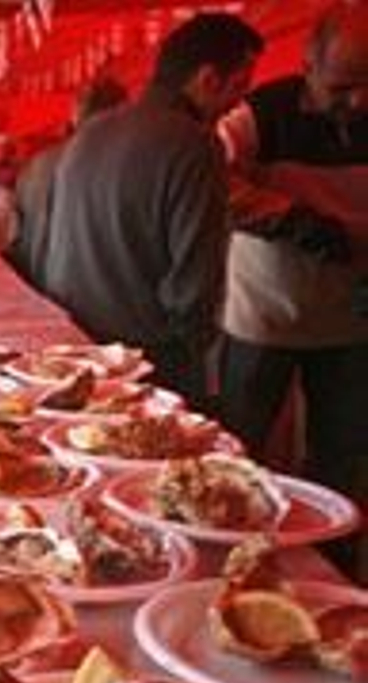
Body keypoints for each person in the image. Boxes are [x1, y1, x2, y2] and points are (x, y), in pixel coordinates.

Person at [44, 13, 264, 415]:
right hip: (147, 363)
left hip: (72, 346)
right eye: (239, 87)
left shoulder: (90, 132)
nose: (238, 103)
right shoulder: (195, 144)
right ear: (208, 80)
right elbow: (195, 280)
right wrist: (196, 359)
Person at [216, 4, 368, 526]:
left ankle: (332, 574)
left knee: (340, 464)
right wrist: (293, 219)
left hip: (350, 322)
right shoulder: (262, 113)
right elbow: (210, 178)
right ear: (308, 67)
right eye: (343, 86)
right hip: (263, 318)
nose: (360, 100)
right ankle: (232, 565)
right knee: (239, 452)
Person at [10, 77, 129, 290]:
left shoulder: (38, 164)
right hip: (88, 307)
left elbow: (16, 240)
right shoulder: (114, 169)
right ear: (120, 115)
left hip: (37, 293)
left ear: (75, 116)